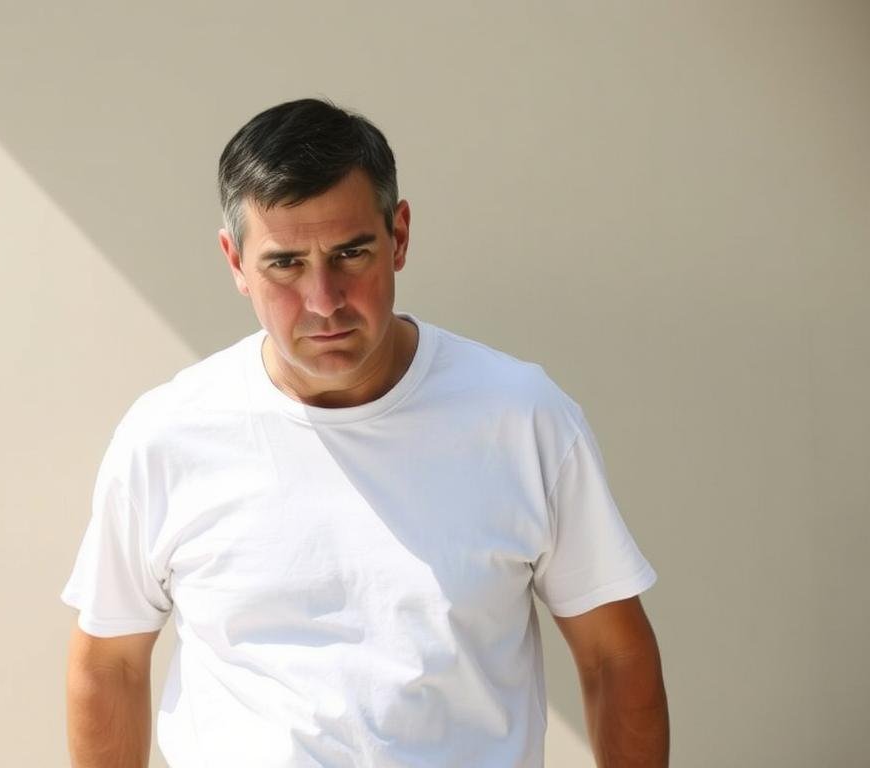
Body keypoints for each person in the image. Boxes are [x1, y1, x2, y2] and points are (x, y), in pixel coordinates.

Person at [61, 97, 669, 768]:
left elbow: (617, 658)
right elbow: (110, 663)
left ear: (399, 236)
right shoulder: (167, 436)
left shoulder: (521, 419)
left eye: (351, 253)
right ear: (235, 261)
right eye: (285, 264)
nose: (324, 301)